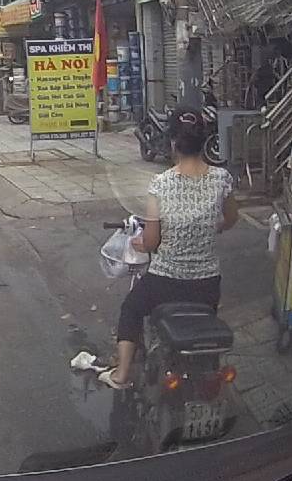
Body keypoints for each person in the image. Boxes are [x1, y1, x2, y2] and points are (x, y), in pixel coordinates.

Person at [102, 108, 239, 389]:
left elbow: (151, 242)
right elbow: (231, 218)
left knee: (130, 309)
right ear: (203, 140)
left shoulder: (161, 184)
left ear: (174, 142)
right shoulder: (222, 178)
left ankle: (121, 374)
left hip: (165, 283)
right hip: (207, 286)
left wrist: (140, 242)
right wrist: (212, 227)